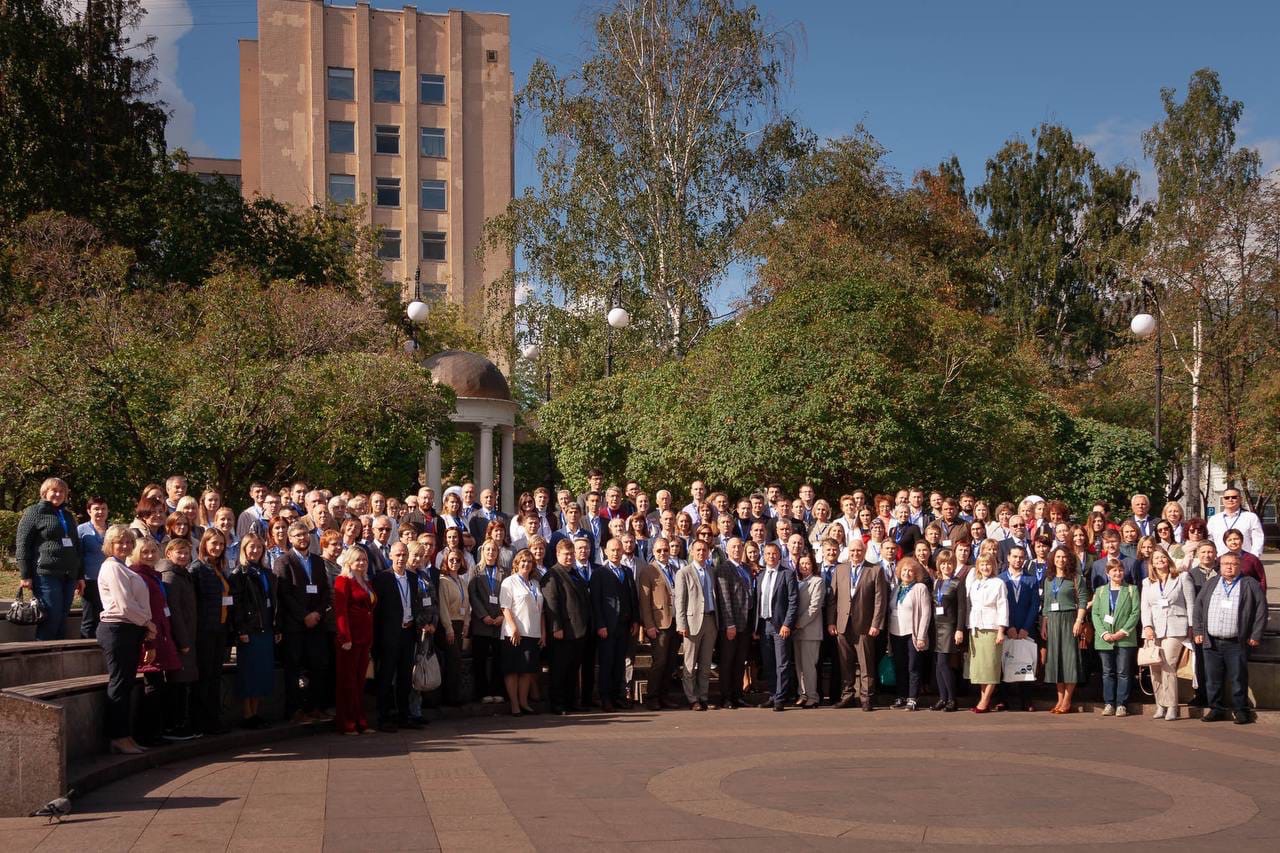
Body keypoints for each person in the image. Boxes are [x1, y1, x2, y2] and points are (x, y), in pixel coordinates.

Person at [95, 525, 153, 754]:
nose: (125, 546)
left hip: (128, 629)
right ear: (110, 544)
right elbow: (124, 605)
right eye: (120, 542)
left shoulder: (123, 567)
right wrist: (148, 623)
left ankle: (124, 735)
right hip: (118, 629)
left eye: (129, 542)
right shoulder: (112, 568)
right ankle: (118, 736)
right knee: (119, 683)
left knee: (126, 683)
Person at [1193, 552, 1269, 724]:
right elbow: (1198, 607)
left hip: (1236, 642)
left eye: (1233, 564)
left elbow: (1261, 611)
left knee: (1238, 678)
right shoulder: (1211, 583)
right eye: (1225, 563)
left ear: (1239, 566)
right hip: (1211, 641)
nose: (1229, 567)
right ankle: (1216, 709)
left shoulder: (1250, 584)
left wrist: (1256, 634)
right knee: (1212, 678)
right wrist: (1198, 631)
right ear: (1219, 566)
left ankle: (1241, 710)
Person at [274, 522, 332, 723]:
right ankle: (294, 710)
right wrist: (304, 616)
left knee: (319, 666)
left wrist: (317, 613)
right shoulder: (284, 561)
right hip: (294, 625)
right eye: (298, 535)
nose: (302, 538)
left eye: (305, 534)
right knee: (293, 668)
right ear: (290, 538)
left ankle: (314, 707)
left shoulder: (317, 561)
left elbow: (325, 591)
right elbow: (285, 594)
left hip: (316, 623)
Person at [15, 477, 85, 641]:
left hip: (69, 574)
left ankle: (58, 656)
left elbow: (76, 546)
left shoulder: (67, 515)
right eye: (54, 490)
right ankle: (41, 654)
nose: (58, 494)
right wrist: (25, 575)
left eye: (62, 491)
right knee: (51, 617)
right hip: (46, 574)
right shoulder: (34, 512)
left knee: (62, 617)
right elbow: (22, 543)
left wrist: (80, 575)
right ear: (45, 492)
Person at [130, 537, 180, 746]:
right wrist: (148, 642)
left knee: (158, 686)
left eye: (153, 551)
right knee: (152, 687)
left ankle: (155, 732)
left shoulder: (154, 575)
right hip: (149, 638)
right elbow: (141, 610)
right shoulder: (138, 576)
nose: (150, 556)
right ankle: (147, 735)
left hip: (161, 634)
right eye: (145, 552)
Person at [827, 537, 887, 711]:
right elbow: (832, 599)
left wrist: (876, 624)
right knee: (845, 663)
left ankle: (866, 697)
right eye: (852, 551)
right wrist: (831, 622)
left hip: (865, 625)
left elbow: (880, 600)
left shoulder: (875, 570)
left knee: (866, 663)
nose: (855, 554)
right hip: (842, 624)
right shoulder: (840, 569)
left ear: (864, 551)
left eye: (859, 550)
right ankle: (847, 696)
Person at [371, 542, 425, 731]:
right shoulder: (382, 578)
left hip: (408, 633)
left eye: (404, 554)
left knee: (404, 677)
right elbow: (377, 611)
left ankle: (404, 715)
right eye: (398, 555)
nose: (401, 558)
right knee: (386, 676)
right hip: (389, 635)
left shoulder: (412, 577)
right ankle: (383, 717)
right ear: (391, 556)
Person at [1140, 547, 1196, 721]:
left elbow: (1191, 603)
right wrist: (1147, 626)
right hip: (1154, 629)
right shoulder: (1147, 582)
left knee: (1167, 665)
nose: (1159, 560)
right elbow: (1145, 607)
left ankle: (1172, 706)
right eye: (1156, 558)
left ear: (1168, 559)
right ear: (1152, 563)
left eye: (1162, 557)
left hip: (1175, 627)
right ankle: (1160, 704)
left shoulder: (1182, 578)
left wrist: (1192, 626)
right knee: (1154, 666)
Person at [230, 533, 279, 729]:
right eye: (251, 547)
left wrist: (276, 626)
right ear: (244, 549)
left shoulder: (266, 573)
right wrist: (241, 629)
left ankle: (256, 712)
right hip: (249, 630)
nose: (255, 551)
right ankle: (247, 715)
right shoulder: (239, 574)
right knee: (249, 674)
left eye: (259, 547)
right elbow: (237, 605)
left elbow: (273, 602)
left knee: (262, 673)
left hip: (266, 628)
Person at [190, 528, 233, 736]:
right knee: (204, 677)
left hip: (220, 630)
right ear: (204, 544)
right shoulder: (197, 569)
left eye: (221, 544)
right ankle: (202, 722)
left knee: (215, 676)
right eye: (213, 543)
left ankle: (213, 720)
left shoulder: (220, 568)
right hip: (204, 631)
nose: (217, 548)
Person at [543, 539, 591, 714]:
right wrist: (556, 628)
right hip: (562, 631)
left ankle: (572, 702)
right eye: (566, 554)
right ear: (557, 554)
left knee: (572, 669)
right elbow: (552, 603)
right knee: (559, 670)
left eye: (572, 553)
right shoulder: (552, 575)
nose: (570, 557)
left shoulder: (575, 573)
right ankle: (558, 704)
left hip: (578, 630)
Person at [591, 538, 638, 711]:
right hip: (607, 627)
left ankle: (617, 696)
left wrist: (634, 620)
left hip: (624, 626)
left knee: (620, 663)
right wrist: (600, 625)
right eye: (613, 550)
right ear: (605, 551)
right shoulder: (599, 573)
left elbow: (633, 597)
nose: (616, 553)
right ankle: (605, 698)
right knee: (607, 663)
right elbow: (596, 601)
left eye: (619, 550)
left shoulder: (626, 571)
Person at [160, 537, 200, 740]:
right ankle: (175, 726)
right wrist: (183, 642)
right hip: (181, 641)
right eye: (180, 552)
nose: (184, 556)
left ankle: (181, 724)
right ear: (169, 554)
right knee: (177, 684)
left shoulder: (183, 574)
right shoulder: (171, 577)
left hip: (188, 638)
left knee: (184, 684)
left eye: (187, 552)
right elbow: (174, 612)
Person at [332, 546, 375, 734]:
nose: (362, 563)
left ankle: (360, 719)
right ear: (349, 561)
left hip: (365, 637)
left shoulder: (366, 581)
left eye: (364, 560)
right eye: (358, 560)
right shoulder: (343, 580)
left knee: (359, 681)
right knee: (347, 682)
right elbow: (340, 611)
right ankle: (347, 721)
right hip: (350, 639)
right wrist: (345, 637)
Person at [500, 549, 546, 716]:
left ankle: (524, 702)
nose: (526, 564)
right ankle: (514, 705)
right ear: (517, 564)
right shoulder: (509, 582)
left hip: (533, 632)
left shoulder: (535, 583)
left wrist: (543, 632)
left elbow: (541, 611)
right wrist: (513, 628)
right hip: (514, 632)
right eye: (523, 561)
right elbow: (505, 607)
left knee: (527, 670)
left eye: (529, 562)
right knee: (512, 669)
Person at [1091, 558, 1140, 716]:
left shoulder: (1132, 589)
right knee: (1107, 672)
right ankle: (1109, 703)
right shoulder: (1100, 591)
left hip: (1125, 638)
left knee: (1123, 672)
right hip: (1104, 639)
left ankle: (1121, 704)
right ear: (1107, 573)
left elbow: (1135, 613)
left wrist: (1122, 632)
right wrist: (1104, 633)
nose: (1117, 573)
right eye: (1114, 570)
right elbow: (1096, 614)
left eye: (1120, 570)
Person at [1042, 545, 1087, 714]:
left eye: (1064, 557)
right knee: (1055, 661)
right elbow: (1046, 605)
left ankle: (1067, 700)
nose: (1061, 560)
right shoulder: (1049, 580)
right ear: (1053, 559)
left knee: (1069, 660)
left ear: (1069, 559)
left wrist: (1078, 621)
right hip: (1052, 621)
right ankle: (1059, 700)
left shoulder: (1076, 578)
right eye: (1058, 557)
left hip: (1069, 619)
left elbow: (1083, 601)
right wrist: (1044, 625)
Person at [675, 538, 718, 711]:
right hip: (692, 622)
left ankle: (703, 696)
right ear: (692, 552)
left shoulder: (712, 571)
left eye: (704, 550)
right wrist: (681, 624)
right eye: (698, 550)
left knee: (706, 663)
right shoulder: (684, 572)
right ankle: (692, 698)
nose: (701, 553)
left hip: (710, 620)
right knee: (690, 664)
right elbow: (680, 601)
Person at [637, 536, 680, 710]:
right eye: (659, 550)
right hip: (658, 623)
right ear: (653, 552)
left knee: (670, 661)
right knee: (659, 661)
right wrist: (649, 625)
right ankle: (652, 697)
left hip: (675, 621)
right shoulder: (648, 571)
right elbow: (645, 600)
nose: (663, 553)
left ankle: (664, 695)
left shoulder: (674, 568)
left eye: (666, 550)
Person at [755, 543, 798, 712]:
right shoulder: (760, 576)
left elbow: (793, 601)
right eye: (767, 554)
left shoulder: (787, 574)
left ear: (779, 555)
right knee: (768, 662)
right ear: (763, 556)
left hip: (780, 625)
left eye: (774, 554)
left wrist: (787, 624)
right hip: (764, 624)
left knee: (782, 662)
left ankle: (781, 697)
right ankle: (773, 694)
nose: (771, 556)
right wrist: (756, 628)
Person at [999, 547, 1040, 712]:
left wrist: (1026, 628)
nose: (1018, 560)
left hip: (1025, 629)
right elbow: (1000, 605)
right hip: (1007, 627)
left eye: (1021, 557)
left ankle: (1027, 700)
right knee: (1005, 663)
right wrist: (1008, 627)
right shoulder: (1000, 579)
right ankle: (1003, 699)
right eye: (1015, 556)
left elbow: (1034, 605)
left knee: (1025, 663)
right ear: (1008, 557)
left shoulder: (1031, 580)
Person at [714, 537, 753, 709]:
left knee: (740, 662)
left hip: (746, 623)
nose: (737, 549)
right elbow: (724, 599)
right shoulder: (723, 569)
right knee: (727, 661)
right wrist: (729, 624)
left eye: (739, 546)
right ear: (727, 550)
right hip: (731, 624)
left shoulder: (746, 568)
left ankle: (737, 695)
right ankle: (726, 697)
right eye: (733, 547)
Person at [887, 557, 931, 711]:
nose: (907, 573)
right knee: (900, 666)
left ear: (915, 573)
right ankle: (901, 696)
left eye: (910, 571)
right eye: (904, 570)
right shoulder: (896, 588)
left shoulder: (920, 588)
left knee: (913, 666)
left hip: (912, 633)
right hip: (895, 632)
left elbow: (926, 613)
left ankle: (913, 697)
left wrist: (921, 636)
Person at [966, 554, 1008, 713]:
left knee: (991, 665)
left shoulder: (998, 583)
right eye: (982, 565)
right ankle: (983, 699)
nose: (985, 568)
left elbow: (1003, 607)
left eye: (988, 564)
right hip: (976, 628)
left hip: (992, 627)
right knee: (981, 668)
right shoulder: (975, 583)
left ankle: (984, 701)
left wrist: (1001, 631)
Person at [467, 539, 507, 704]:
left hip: (498, 623)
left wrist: (501, 616)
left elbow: (507, 595)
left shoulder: (505, 571)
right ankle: (481, 692)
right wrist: (483, 615)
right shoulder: (476, 570)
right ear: (483, 552)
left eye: (494, 550)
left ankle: (497, 690)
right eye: (488, 550)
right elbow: (473, 594)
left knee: (499, 660)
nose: (491, 553)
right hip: (481, 623)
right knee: (480, 660)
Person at [930, 549, 966, 712]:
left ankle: (952, 699)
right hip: (936, 626)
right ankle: (942, 698)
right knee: (938, 664)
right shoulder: (936, 582)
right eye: (943, 563)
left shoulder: (958, 582)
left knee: (944, 664)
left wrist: (959, 629)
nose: (946, 566)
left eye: (949, 563)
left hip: (949, 626)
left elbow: (961, 609)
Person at [435, 547, 470, 708]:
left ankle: (456, 694)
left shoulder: (462, 581)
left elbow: (467, 604)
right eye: (451, 560)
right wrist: (448, 628)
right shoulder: (443, 581)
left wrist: (466, 623)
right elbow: (442, 606)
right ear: (446, 562)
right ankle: (450, 696)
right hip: (449, 624)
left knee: (457, 660)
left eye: (457, 560)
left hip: (460, 624)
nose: (454, 563)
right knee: (452, 660)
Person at [792, 554, 826, 709]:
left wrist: (799, 623)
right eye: (802, 563)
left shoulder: (817, 581)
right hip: (797, 632)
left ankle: (813, 696)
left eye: (807, 563)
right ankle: (803, 694)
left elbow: (814, 607)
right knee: (799, 666)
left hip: (810, 630)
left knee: (809, 666)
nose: (804, 566)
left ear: (813, 565)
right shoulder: (798, 582)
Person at [1206, 488, 1265, 558]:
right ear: (1223, 500)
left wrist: (1254, 557)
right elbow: (1209, 540)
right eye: (1227, 498)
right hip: (1220, 561)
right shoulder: (1214, 519)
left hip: (1244, 560)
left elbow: (1258, 539)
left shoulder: (1250, 517)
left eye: (1234, 497)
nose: (1230, 500)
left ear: (1240, 499)